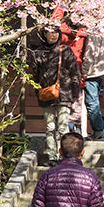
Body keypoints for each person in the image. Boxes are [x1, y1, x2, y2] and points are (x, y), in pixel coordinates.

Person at [31, 23, 82, 164]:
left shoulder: (65, 51)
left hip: (64, 94)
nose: (53, 35)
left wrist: (74, 94)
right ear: (44, 34)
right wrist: (38, 92)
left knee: (63, 127)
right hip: (46, 95)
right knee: (50, 127)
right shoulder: (38, 53)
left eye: (56, 32)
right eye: (50, 32)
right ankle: (52, 156)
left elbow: (75, 73)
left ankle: (64, 156)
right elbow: (35, 76)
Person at [80, 30, 104, 139]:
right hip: (100, 70)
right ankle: (98, 131)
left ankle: (98, 131)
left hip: (92, 72)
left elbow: (89, 52)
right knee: (93, 101)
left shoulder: (93, 32)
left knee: (91, 102)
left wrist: (84, 70)